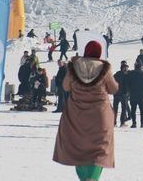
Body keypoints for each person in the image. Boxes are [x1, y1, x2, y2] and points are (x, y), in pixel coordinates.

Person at [53, 40, 119, 181]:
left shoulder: (74, 67)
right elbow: (114, 89)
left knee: (79, 148)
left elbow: (65, 86)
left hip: (76, 115)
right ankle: (92, 178)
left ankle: (84, 178)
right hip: (100, 116)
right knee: (99, 149)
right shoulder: (104, 69)